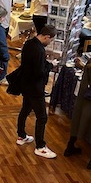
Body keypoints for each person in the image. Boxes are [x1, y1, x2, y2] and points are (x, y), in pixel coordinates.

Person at [15, 25, 58, 159]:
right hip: (35, 88)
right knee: (42, 117)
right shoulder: (39, 50)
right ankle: (40, 146)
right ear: (47, 37)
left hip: (26, 84)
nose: (49, 43)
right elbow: (40, 72)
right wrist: (51, 65)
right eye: (50, 40)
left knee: (25, 109)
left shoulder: (29, 43)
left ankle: (21, 135)